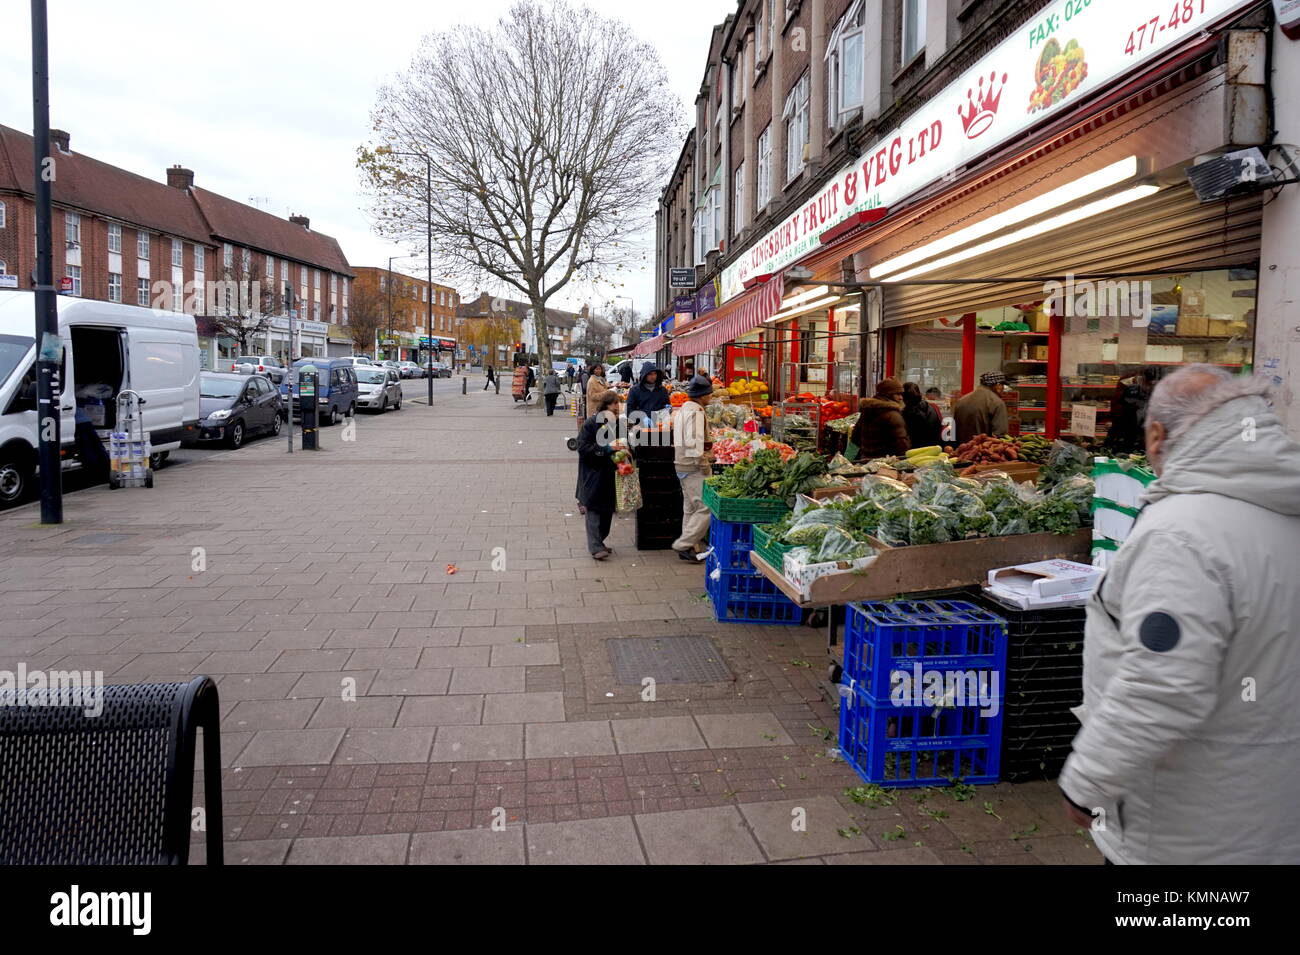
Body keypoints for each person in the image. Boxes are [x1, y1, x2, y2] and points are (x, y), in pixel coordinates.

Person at [1058, 365, 1300, 864]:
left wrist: (1087, 781)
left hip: (1186, 830)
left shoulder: (1182, 535)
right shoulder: (1282, 511)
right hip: (1274, 816)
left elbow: (1161, 686)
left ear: (1156, 435)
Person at [576, 390, 624, 560]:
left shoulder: (617, 424)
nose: (616, 407)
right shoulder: (590, 424)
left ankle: (600, 542)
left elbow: (622, 443)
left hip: (610, 473)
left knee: (607, 511)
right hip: (593, 473)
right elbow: (582, 448)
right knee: (594, 510)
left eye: (618, 403)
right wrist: (606, 449)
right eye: (613, 404)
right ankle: (595, 547)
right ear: (605, 406)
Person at [671, 374, 714, 560]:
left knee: (690, 508)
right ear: (702, 395)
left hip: (681, 464)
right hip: (692, 467)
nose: (711, 396)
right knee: (705, 507)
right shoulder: (696, 411)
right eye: (709, 394)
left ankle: (688, 549)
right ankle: (684, 544)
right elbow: (693, 441)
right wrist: (703, 464)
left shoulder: (684, 408)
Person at [851, 378, 910, 461]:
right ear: (888, 394)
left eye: (901, 394)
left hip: (866, 460)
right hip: (885, 462)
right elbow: (902, 444)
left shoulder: (867, 410)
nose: (901, 398)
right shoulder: (893, 415)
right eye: (897, 394)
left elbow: (855, 437)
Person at [1108, 366, 1161, 454]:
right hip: (1129, 429)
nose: (1151, 386)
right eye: (1150, 383)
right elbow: (1119, 409)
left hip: (1139, 431)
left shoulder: (1153, 391)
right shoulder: (1130, 387)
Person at [953, 371, 1009, 445]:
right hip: (982, 453)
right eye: (1003, 386)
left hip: (961, 451)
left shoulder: (961, 400)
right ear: (998, 386)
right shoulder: (997, 403)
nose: (1003, 390)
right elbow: (1000, 435)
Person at [900, 381, 942, 449]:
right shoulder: (930, 407)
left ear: (903, 397)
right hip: (933, 448)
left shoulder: (908, 413)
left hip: (916, 452)